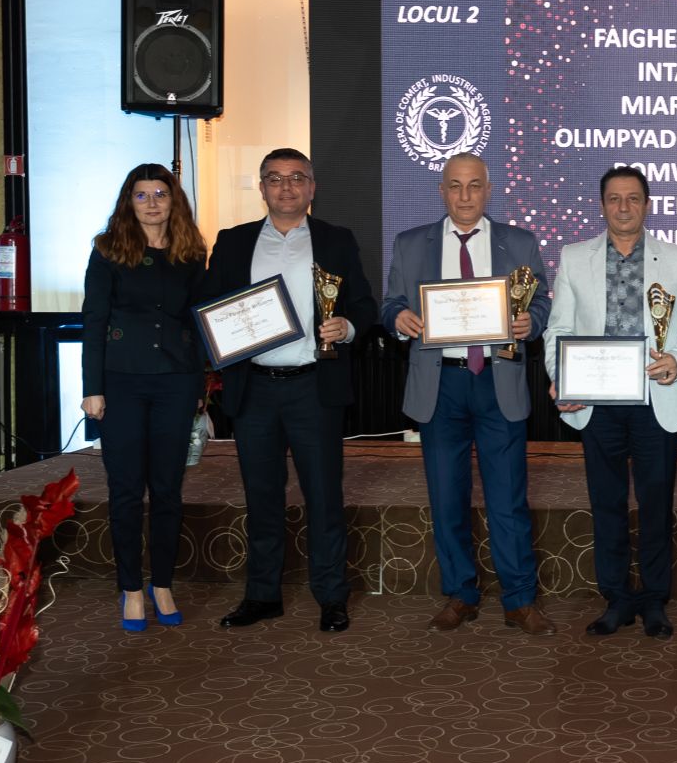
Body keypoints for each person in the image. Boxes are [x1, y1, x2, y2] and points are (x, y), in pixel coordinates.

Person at [202, 150, 377, 634]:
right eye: (275, 178)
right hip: (254, 388)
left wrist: (348, 326)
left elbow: (364, 304)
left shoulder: (336, 240)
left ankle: (332, 596)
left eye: (297, 177)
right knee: (261, 496)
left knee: (323, 496)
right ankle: (262, 595)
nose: (286, 187)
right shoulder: (234, 241)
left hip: (313, 387)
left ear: (312, 187)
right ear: (261, 188)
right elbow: (211, 307)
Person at [383, 153, 556, 637]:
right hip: (440, 385)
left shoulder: (519, 242)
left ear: (488, 190)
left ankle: (519, 599)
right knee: (446, 497)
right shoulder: (411, 243)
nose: (464, 196)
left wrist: (531, 322)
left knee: (508, 499)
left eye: (474, 185)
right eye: (455, 186)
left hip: (498, 382)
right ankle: (460, 593)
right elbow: (391, 302)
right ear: (441, 190)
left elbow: (542, 301)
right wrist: (398, 318)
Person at [544, 167, 677, 639]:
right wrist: (562, 378)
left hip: (656, 398)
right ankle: (617, 597)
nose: (624, 207)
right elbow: (558, 328)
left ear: (647, 204)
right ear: (602, 205)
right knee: (607, 503)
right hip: (596, 402)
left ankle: (655, 598)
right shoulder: (574, 257)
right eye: (615, 198)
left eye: (633, 198)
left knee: (656, 504)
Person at [80, 164, 207, 633]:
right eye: (141, 195)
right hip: (120, 383)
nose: (152, 203)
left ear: (174, 201)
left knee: (169, 490)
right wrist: (92, 388)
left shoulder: (192, 252)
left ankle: (163, 584)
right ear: (128, 202)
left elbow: (199, 320)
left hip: (177, 381)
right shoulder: (108, 248)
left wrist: (200, 386)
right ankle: (132, 588)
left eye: (160, 194)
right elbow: (94, 319)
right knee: (127, 490)